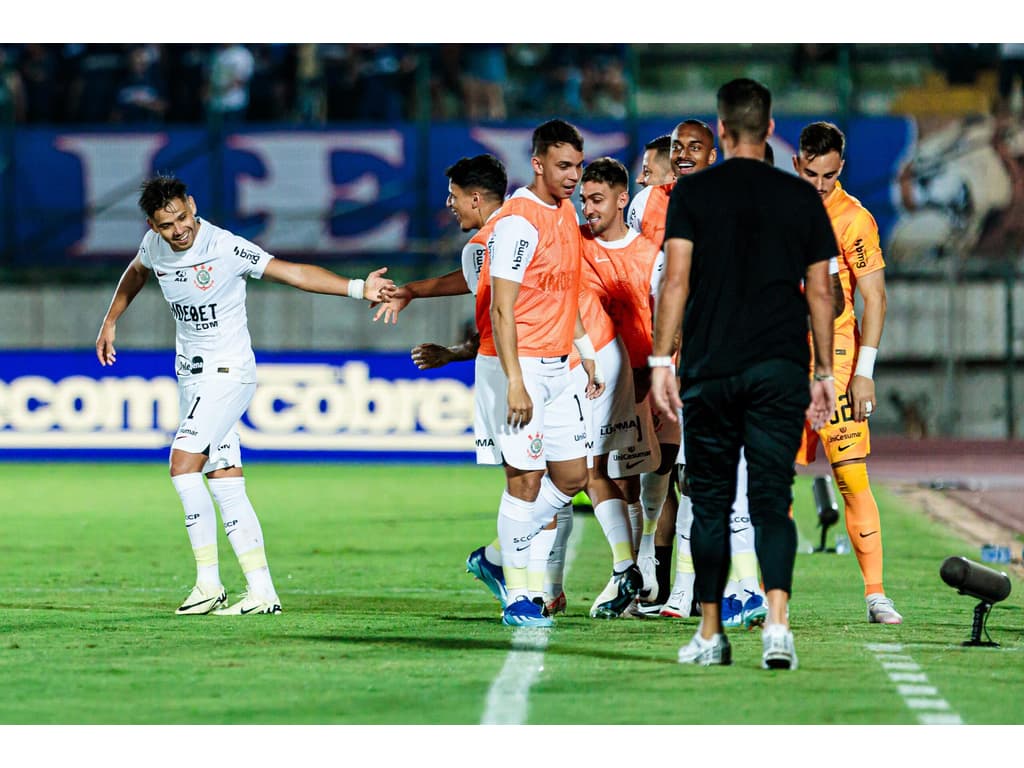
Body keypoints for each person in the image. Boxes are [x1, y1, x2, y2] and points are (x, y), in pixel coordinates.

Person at [96, 175, 394, 616]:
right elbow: (137, 271)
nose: (178, 230)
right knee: (224, 481)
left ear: (192, 205)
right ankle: (262, 592)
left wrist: (356, 287)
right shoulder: (153, 246)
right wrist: (110, 320)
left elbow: (291, 272)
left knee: (182, 465)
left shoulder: (224, 246)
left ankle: (208, 584)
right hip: (191, 377)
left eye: (182, 218)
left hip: (228, 373)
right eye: (166, 225)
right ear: (152, 226)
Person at [650, 78, 837, 669]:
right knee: (771, 500)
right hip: (780, 366)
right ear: (771, 129)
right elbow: (821, 292)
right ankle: (777, 625)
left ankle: (711, 633)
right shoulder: (801, 197)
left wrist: (660, 361)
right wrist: (825, 372)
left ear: (722, 130)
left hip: (710, 366)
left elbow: (675, 282)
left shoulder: (693, 193)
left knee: (710, 503)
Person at [480, 119, 603, 628]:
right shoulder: (518, 221)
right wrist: (514, 380)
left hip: (562, 365)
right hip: (524, 364)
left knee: (572, 477)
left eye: (578, 166)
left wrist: (585, 348)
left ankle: (495, 556)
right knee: (525, 481)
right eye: (563, 166)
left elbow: (564, 289)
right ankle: (518, 595)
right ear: (537, 164)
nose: (573, 176)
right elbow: (501, 308)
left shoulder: (566, 212)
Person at [374, 154, 511, 610]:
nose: (448, 204)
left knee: (551, 479)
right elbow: (484, 298)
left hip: (521, 365)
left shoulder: (498, 236)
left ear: (475, 197)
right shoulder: (500, 236)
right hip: (512, 366)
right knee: (539, 479)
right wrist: (415, 292)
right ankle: (528, 581)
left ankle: (512, 569)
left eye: (453, 196)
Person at [792, 121, 901, 625]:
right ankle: (762, 593)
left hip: (836, 359)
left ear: (842, 168)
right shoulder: (777, 210)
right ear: (797, 164)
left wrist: (864, 371)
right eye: (811, 174)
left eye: (829, 176)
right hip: (782, 359)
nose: (820, 185)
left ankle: (876, 595)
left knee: (852, 476)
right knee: (771, 479)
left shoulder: (854, 219)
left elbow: (874, 297)